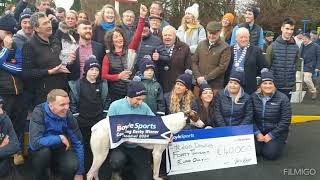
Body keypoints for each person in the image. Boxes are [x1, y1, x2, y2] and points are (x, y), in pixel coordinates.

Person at [22, 12, 78, 105]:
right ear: (36, 28)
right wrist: (49, 72)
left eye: (48, 22)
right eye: (44, 23)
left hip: (62, 91)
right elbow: (27, 73)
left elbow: (62, 64)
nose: (49, 25)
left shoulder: (55, 41)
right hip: (45, 96)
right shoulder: (29, 45)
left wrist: (69, 61)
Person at [29, 89, 84, 180]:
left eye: (68, 103)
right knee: (43, 153)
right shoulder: (39, 112)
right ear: (51, 105)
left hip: (59, 149)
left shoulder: (68, 115)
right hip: (41, 151)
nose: (67, 108)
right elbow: (35, 143)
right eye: (62, 105)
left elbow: (78, 142)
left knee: (72, 165)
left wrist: (79, 172)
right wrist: (59, 138)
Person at [69, 56, 110, 176]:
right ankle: (85, 173)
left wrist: (104, 117)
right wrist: (76, 117)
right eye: (91, 69)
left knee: (100, 150)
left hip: (99, 123)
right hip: (83, 123)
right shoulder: (77, 85)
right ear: (86, 70)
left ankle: (100, 174)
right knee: (85, 148)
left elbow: (107, 101)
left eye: (97, 70)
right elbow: (73, 103)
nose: (94, 72)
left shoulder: (102, 85)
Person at [107, 78, 154, 180]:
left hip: (138, 146)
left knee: (146, 177)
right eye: (138, 99)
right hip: (120, 146)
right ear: (130, 96)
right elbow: (109, 128)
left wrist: (167, 134)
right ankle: (116, 172)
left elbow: (156, 124)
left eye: (142, 99)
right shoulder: (115, 106)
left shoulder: (145, 107)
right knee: (117, 161)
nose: (140, 102)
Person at [101, 5, 147, 102]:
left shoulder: (130, 51)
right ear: (111, 41)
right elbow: (104, 75)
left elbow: (138, 35)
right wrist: (118, 76)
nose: (119, 39)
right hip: (115, 93)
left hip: (131, 92)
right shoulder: (107, 57)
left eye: (120, 36)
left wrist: (142, 17)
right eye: (116, 37)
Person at [0, 14, 25, 165]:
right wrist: (6, 50)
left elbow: (20, 68)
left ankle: (17, 151)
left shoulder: (15, 45)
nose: (10, 36)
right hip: (3, 93)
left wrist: (2, 63)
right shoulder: (9, 46)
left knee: (19, 122)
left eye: (12, 33)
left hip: (18, 91)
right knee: (3, 125)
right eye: (7, 33)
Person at [252, 69, 291, 160]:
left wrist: (271, 135)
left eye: (270, 83)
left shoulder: (283, 98)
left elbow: (285, 121)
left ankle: (281, 141)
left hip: (276, 132)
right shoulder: (253, 97)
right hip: (259, 131)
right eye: (265, 83)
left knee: (269, 154)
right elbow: (250, 117)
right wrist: (257, 133)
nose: (267, 86)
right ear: (260, 85)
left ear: (274, 85)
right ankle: (263, 143)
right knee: (256, 152)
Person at [225, 27, 267, 94]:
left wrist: (257, 81)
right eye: (241, 37)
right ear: (236, 38)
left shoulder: (256, 50)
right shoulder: (229, 50)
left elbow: (263, 68)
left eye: (246, 37)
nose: (244, 39)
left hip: (248, 88)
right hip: (231, 86)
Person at [266, 17, 300, 99]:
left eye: (291, 29)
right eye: (287, 28)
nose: (289, 31)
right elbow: (267, 66)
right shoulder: (272, 47)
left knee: (286, 110)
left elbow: (296, 65)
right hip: (274, 86)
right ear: (282, 28)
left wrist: (293, 83)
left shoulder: (296, 48)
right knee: (273, 110)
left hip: (289, 86)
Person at [192, 21, 231, 92]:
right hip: (199, 85)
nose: (212, 36)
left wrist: (206, 78)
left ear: (219, 32)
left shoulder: (225, 47)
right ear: (207, 32)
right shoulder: (201, 44)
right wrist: (198, 77)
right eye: (210, 33)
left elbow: (222, 67)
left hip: (215, 87)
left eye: (214, 34)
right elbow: (194, 62)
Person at [158, 25, 191, 93]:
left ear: (175, 36)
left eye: (170, 35)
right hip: (160, 84)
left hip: (177, 85)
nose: (167, 37)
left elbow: (188, 66)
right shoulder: (157, 47)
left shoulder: (184, 48)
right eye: (165, 35)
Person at [0, 96, 20, 178]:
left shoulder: (5, 118)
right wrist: (2, 146)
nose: (0, 111)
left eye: (0, 106)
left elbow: (15, 146)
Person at [296, 33, 320, 100]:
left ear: (309, 39)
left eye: (305, 39)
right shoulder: (302, 45)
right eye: (303, 39)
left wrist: (318, 67)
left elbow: (319, 57)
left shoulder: (316, 46)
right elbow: (299, 54)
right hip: (301, 64)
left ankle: (314, 91)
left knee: (306, 79)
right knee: (298, 77)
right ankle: (298, 91)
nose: (303, 40)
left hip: (310, 65)